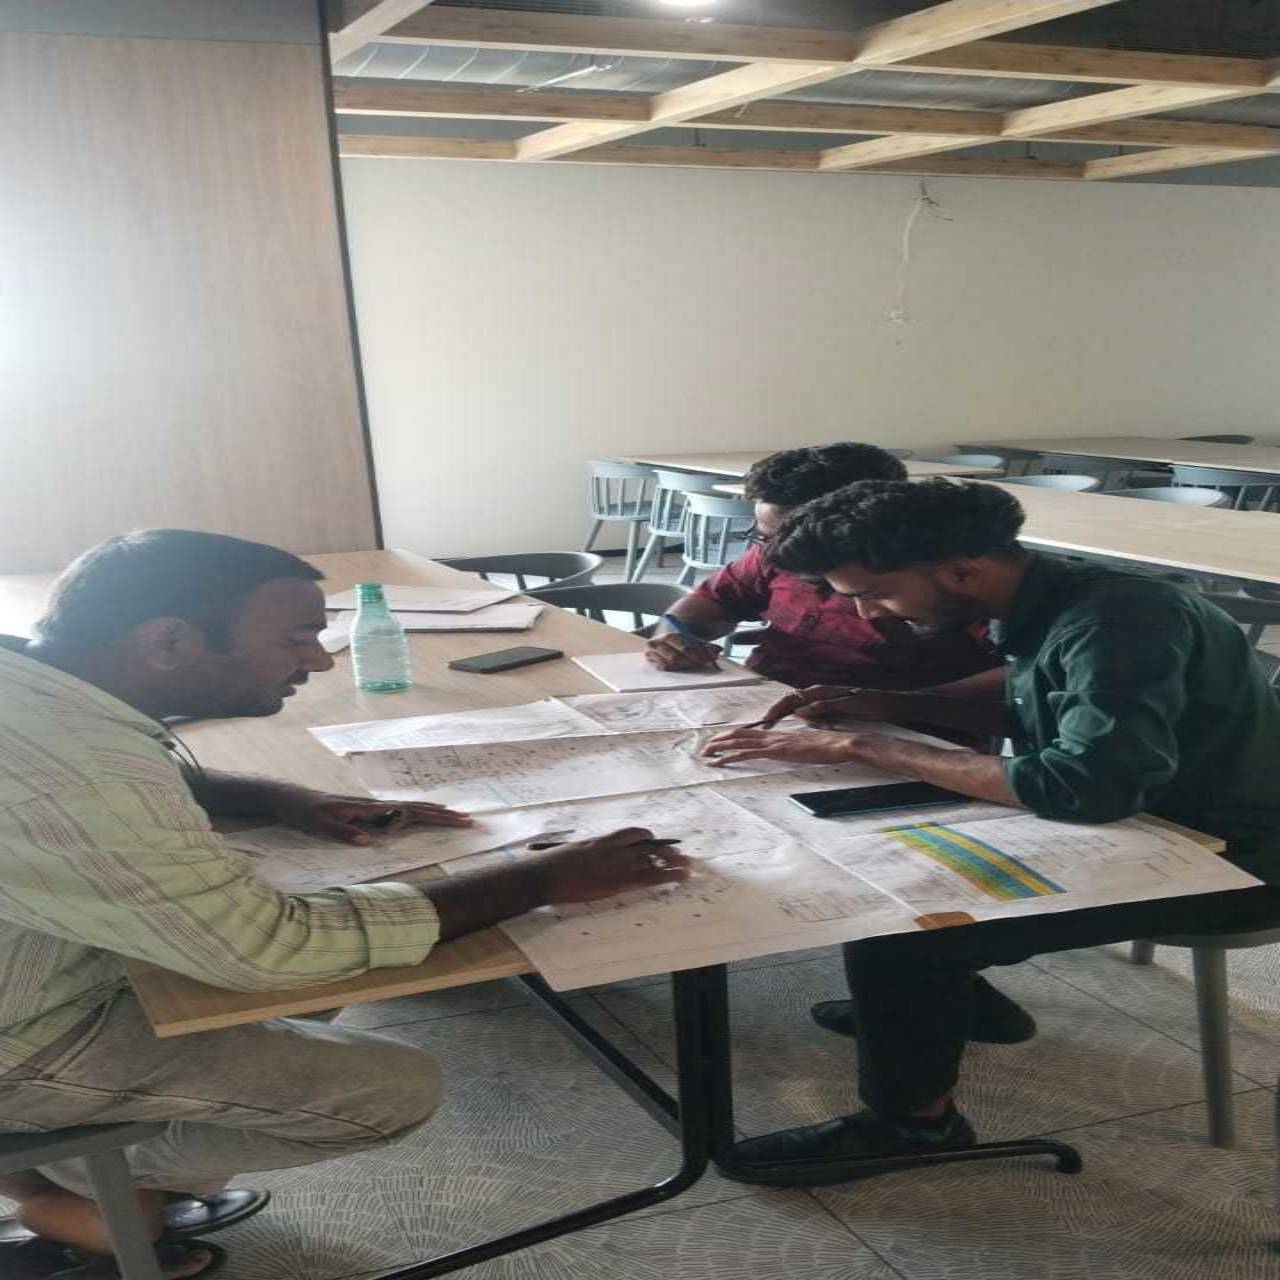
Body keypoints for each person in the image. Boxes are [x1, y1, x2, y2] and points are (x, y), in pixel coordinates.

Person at [0, 530, 690, 1278]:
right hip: (24, 1034)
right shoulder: (81, 776)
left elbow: (142, 776)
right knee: (387, 1086)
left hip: (45, 961)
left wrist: (282, 797)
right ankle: (70, 1187)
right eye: (297, 639)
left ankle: (92, 1184)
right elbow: (273, 949)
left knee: (317, 948)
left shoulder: (33, 680)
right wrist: (538, 880)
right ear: (168, 641)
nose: (321, 661)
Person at [702, 480, 1280, 1182]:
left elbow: (1083, 787)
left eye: (875, 593)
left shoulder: (1121, 621)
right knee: (877, 843)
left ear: (961, 573)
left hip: (1233, 859)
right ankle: (958, 1008)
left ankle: (913, 1125)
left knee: (905, 923)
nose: (864, 613)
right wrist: (891, 703)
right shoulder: (1051, 592)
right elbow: (1034, 691)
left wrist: (868, 744)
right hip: (1145, 816)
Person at [645, 443, 998, 692]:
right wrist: (675, 636)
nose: (776, 553)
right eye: (765, 537)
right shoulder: (772, 554)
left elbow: (1011, 678)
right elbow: (712, 601)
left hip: (892, 727)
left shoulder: (939, 576)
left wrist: (896, 706)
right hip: (765, 698)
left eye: (787, 538)